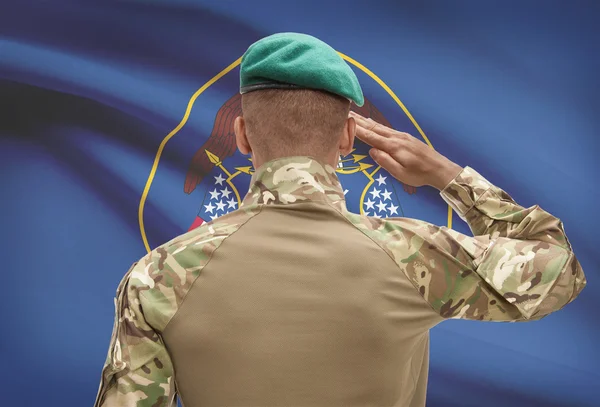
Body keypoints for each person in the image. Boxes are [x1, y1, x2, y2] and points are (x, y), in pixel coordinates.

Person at [94, 33, 586, 407]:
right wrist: (447, 175)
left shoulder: (157, 276)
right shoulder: (416, 256)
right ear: (349, 136)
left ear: (241, 135)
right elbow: (558, 268)